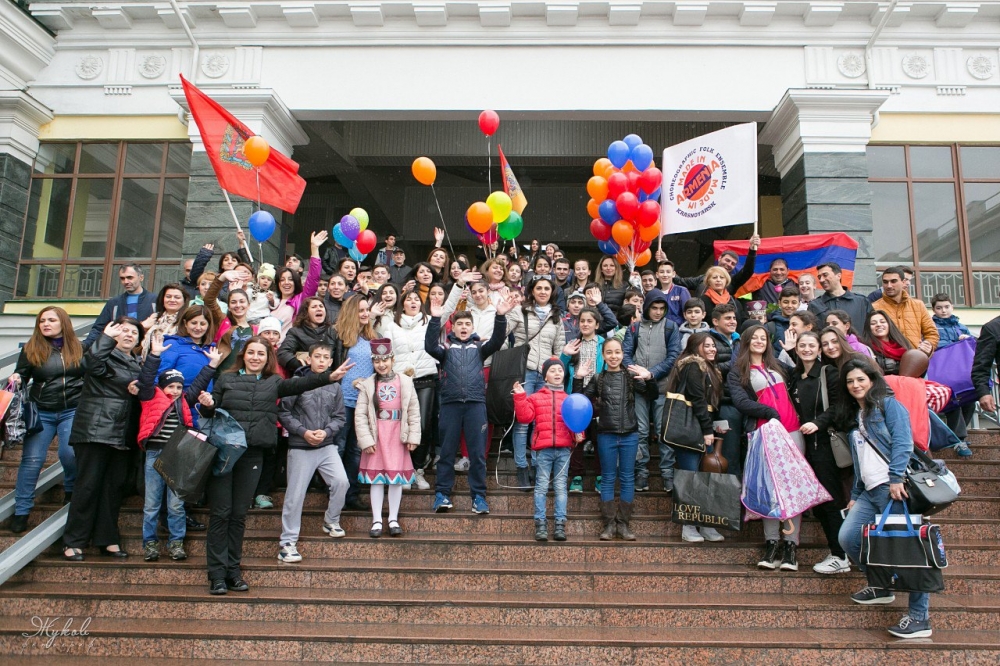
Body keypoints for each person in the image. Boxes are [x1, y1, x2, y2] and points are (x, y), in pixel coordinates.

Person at [197, 336, 352, 594]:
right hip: (224, 454)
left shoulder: (274, 382)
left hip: (253, 454)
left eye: (261, 353)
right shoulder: (227, 379)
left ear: (268, 358)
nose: (256, 357)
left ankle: (233, 571)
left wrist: (330, 377)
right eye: (252, 352)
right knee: (221, 514)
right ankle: (216, 574)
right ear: (243, 355)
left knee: (238, 516)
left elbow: (302, 383)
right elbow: (210, 410)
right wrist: (208, 406)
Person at [836, 359, 932, 638]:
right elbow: (861, 461)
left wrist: (895, 477)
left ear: (872, 380)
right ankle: (881, 585)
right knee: (849, 538)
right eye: (850, 381)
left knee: (910, 552)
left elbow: (903, 441)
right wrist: (855, 494)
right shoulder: (860, 416)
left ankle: (919, 618)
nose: (855, 385)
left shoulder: (889, 405)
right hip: (868, 491)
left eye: (860, 380)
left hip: (894, 488)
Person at [62, 318, 143, 562]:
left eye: (134, 332)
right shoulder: (103, 354)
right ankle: (74, 541)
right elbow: (89, 364)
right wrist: (105, 338)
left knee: (113, 488)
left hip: (123, 433)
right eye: (123, 330)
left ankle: (107, 538)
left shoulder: (139, 363)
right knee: (87, 486)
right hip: (95, 430)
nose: (128, 334)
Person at [425, 294, 514, 514]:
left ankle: (479, 498)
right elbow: (429, 346)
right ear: (453, 328)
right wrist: (435, 320)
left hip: (475, 405)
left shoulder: (479, 348)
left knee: (477, 454)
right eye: (459, 324)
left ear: (472, 327)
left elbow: (497, 340)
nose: (463, 327)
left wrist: (500, 316)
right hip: (450, 405)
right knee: (446, 453)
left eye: (467, 324)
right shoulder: (444, 349)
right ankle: (442, 494)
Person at [138, 333, 219, 563]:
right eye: (170, 386)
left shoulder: (184, 399)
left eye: (178, 386)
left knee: (176, 504)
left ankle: (176, 543)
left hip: (178, 454)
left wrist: (212, 364)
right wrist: (154, 355)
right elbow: (146, 379)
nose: (174, 390)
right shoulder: (150, 396)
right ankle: (150, 543)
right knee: (151, 504)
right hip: (155, 453)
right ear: (162, 387)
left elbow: (200, 382)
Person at [728, 324, 803, 572]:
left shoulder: (778, 365)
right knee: (770, 488)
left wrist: (791, 352)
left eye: (763, 338)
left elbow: (802, 374)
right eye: (754, 338)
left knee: (792, 488)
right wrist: (770, 413)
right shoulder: (737, 371)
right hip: (764, 432)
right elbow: (741, 402)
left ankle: (790, 546)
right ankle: (771, 544)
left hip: (793, 430)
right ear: (746, 341)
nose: (759, 341)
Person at [6, 307, 83, 533]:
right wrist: (17, 378)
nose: (45, 324)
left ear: (63, 323)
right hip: (41, 412)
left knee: (69, 453)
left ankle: (70, 487)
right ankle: (22, 511)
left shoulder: (79, 347)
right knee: (32, 461)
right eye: (42, 321)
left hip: (72, 409)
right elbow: (22, 374)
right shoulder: (32, 349)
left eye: (51, 320)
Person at [276, 342, 349, 563]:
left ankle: (331, 520)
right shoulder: (296, 383)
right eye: (317, 356)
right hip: (300, 446)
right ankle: (287, 543)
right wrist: (304, 432)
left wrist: (326, 432)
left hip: (326, 446)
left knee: (341, 482)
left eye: (325, 357)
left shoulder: (334, 386)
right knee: (295, 496)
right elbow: (284, 413)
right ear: (309, 359)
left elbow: (340, 417)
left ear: (330, 362)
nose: (321, 360)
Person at [787, 331, 850, 574]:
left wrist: (818, 423)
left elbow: (837, 406)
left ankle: (840, 555)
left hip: (824, 444)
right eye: (802, 345)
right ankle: (838, 552)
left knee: (830, 499)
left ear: (819, 349)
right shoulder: (794, 375)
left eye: (811, 345)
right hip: (803, 445)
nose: (806, 349)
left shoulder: (828, 373)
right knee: (819, 501)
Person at [582, 337, 652, 541]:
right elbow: (581, 401)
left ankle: (624, 523)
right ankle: (609, 524)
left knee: (628, 478)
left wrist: (649, 378)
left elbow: (652, 394)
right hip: (606, 434)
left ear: (623, 354)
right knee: (608, 478)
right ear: (603, 355)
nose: (614, 356)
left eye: (617, 352)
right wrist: (579, 378)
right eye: (609, 352)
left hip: (630, 433)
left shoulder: (631, 377)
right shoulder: (598, 378)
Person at [354, 338, 421, 538]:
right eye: (377, 361)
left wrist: (413, 436)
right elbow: (360, 415)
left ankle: (393, 518)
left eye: (385, 360)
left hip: (397, 435)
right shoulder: (367, 385)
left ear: (392, 359)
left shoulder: (406, 382)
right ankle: (376, 520)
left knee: (395, 480)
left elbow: (413, 411)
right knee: (376, 480)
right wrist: (366, 440)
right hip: (377, 436)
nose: (381, 364)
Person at [374, 287, 440, 490]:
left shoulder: (429, 322)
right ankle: (402, 469)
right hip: (401, 381)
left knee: (422, 425)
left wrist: (459, 285)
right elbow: (382, 352)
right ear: (402, 304)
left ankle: (417, 469)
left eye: (416, 299)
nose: (413, 302)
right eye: (408, 299)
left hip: (426, 378)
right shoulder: (391, 326)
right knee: (400, 426)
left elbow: (448, 308)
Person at [505, 277, 567, 488]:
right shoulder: (520, 311)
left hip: (546, 374)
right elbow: (503, 335)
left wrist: (555, 371)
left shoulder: (556, 316)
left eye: (546, 288)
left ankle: (538, 465)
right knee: (523, 422)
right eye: (538, 288)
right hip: (525, 371)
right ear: (532, 290)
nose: (542, 291)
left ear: (552, 291)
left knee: (542, 421)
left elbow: (559, 346)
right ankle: (522, 466)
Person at [666, 332, 726, 543]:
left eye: (713, 346)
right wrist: (708, 430)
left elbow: (711, 403)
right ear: (695, 347)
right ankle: (688, 526)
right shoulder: (692, 365)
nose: (712, 349)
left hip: (704, 429)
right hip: (692, 431)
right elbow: (697, 399)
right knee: (690, 478)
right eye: (706, 345)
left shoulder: (711, 369)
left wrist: (715, 425)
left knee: (705, 478)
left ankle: (706, 524)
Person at [514, 357, 580, 542]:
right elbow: (525, 418)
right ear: (545, 376)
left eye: (560, 370)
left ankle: (560, 524)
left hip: (564, 449)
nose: (557, 373)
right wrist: (520, 397)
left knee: (560, 488)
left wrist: (579, 432)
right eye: (552, 371)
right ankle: (540, 524)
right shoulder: (535, 397)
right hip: (543, 450)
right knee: (541, 487)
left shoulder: (568, 399)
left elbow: (575, 421)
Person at [622, 289, 681, 493]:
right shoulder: (634, 328)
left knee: (663, 431)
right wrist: (638, 373)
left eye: (661, 308)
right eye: (654, 308)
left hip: (662, 386)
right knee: (640, 431)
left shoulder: (671, 327)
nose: (657, 312)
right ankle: (641, 472)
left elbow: (674, 356)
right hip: (637, 386)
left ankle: (667, 474)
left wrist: (652, 373)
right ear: (646, 307)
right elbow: (625, 355)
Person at [331, 295, 379, 512]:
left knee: (355, 450)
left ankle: (351, 493)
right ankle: (334, 491)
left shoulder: (373, 337)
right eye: (360, 310)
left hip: (363, 403)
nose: (365, 314)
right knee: (339, 446)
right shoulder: (338, 335)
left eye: (367, 310)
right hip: (341, 399)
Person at [930, 293, 976, 456]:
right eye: (939, 308)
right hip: (944, 373)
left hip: (962, 373)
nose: (943, 311)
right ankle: (959, 439)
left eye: (946, 307)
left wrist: (968, 338)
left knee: (970, 400)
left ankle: (956, 436)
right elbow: (930, 342)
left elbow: (973, 346)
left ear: (952, 307)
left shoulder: (961, 326)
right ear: (933, 309)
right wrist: (955, 343)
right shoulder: (932, 326)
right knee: (953, 402)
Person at [83, 264, 155, 349]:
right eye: (122, 278)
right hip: (117, 353)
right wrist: (85, 345)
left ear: (141, 278)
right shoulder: (114, 303)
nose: (126, 281)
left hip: (146, 352)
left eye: (130, 277)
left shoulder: (155, 301)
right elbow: (98, 329)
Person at [708, 303, 743, 477]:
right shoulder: (708, 340)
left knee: (739, 453)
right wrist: (734, 365)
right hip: (722, 404)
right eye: (727, 318)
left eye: (734, 318)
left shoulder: (740, 339)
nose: (732, 321)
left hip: (742, 402)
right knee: (727, 453)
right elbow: (708, 368)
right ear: (715, 321)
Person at [871, 267, 938, 354]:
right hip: (886, 361)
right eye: (885, 282)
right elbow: (869, 336)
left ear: (903, 282)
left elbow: (932, 333)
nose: (889, 285)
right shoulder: (874, 307)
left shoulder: (918, 305)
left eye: (893, 281)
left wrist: (928, 346)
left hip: (916, 360)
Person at [271, 232, 326, 338]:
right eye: (282, 280)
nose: (286, 282)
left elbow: (313, 278)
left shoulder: (300, 299)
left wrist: (314, 249)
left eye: (290, 279)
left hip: (287, 349)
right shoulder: (271, 301)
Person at [672, 233, 761, 296]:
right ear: (719, 258)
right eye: (727, 260)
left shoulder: (732, 281)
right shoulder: (702, 278)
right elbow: (680, 281)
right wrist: (665, 264)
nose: (729, 264)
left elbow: (748, 271)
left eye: (733, 263)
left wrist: (752, 250)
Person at [277, 297, 339, 376]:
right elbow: (283, 354)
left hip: (329, 378)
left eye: (321, 306)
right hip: (306, 378)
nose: (319, 309)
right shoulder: (296, 332)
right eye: (314, 307)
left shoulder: (333, 331)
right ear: (306, 312)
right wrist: (300, 364)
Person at [809, 262, 872, 329]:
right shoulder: (815, 305)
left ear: (838, 276)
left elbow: (871, 328)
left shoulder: (861, 302)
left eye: (825, 275)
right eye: (819, 277)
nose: (821, 280)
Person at [140, 283, 188, 357]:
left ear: (184, 301)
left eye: (177, 297)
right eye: (168, 297)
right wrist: (142, 327)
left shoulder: (187, 321)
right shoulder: (154, 318)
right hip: (149, 361)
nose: (172, 300)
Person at [860, 310, 913, 376]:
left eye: (882, 322)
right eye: (873, 323)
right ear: (868, 328)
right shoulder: (865, 349)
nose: (878, 325)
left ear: (889, 324)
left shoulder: (903, 344)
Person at [653, 260, 692, 326]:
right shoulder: (655, 294)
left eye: (668, 272)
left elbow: (689, 313)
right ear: (657, 275)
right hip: (659, 331)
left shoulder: (681, 291)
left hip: (679, 331)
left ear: (673, 274)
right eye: (662, 272)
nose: (665, 275)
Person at [766, 285, 801, 356]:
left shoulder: (803, 326)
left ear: (799, 304)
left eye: (794, 302)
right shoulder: (770, 327)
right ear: (779, 303)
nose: (790, 306)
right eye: (786, 302)